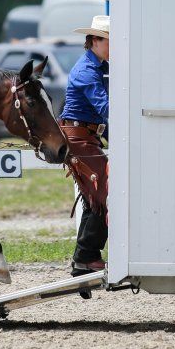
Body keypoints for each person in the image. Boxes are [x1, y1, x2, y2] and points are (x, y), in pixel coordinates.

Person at [60, 14, 110, 276]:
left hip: (82, 136)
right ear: (95, 41)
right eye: (110, 40)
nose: (114, 45)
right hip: (78, 137)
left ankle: (85, 256)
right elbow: (105, 107)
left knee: (97, 197)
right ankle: (85, 256)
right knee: (105, 193)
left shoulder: (96, 67)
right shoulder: (87, 71)